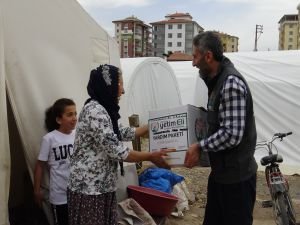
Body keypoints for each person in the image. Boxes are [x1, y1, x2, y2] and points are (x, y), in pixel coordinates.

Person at [68, 64, 173, 225]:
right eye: (120, 84)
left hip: (102, 186)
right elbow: (117, 151)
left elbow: (122, 133)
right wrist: (151, 156)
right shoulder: (94, 111)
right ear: (109, 86)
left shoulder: (105, 109)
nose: (123, 91)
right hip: (89, 189)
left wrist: (152, 126)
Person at [184, 31, 257, 225]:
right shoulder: (216, 82)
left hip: (237, 181)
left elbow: (232, 134)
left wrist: (199, 146)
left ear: (208, 56)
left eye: (195, 56)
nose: (193, 63)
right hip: (221, 176)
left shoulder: (231, 83)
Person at [34, 98, 77, 225]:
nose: (74, 118)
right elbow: (40, 165)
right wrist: (36, 190)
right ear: (58, 120)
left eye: (75, 113)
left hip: (78, 193)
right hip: (60, 197)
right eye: (70, 115)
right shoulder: (49, 139)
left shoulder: (78, 135)